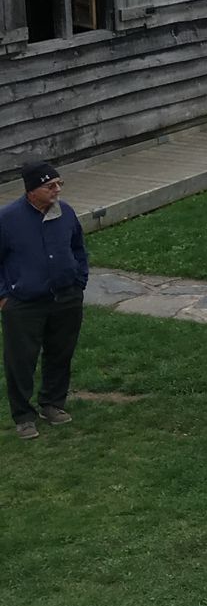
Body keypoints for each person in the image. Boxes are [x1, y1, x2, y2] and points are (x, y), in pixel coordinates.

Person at [0, 162, 87, 441]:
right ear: (31, 191)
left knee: (60, 353)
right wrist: (3, 296)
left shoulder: (66, 212)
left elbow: (78, 247)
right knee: (21, 361)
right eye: (50, 186)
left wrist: (79, 280)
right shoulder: (8, 219)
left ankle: (52, 403)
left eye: (60, 184)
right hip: (24, 302)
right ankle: (23, 416)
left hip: (66, 297)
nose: (57, 190)